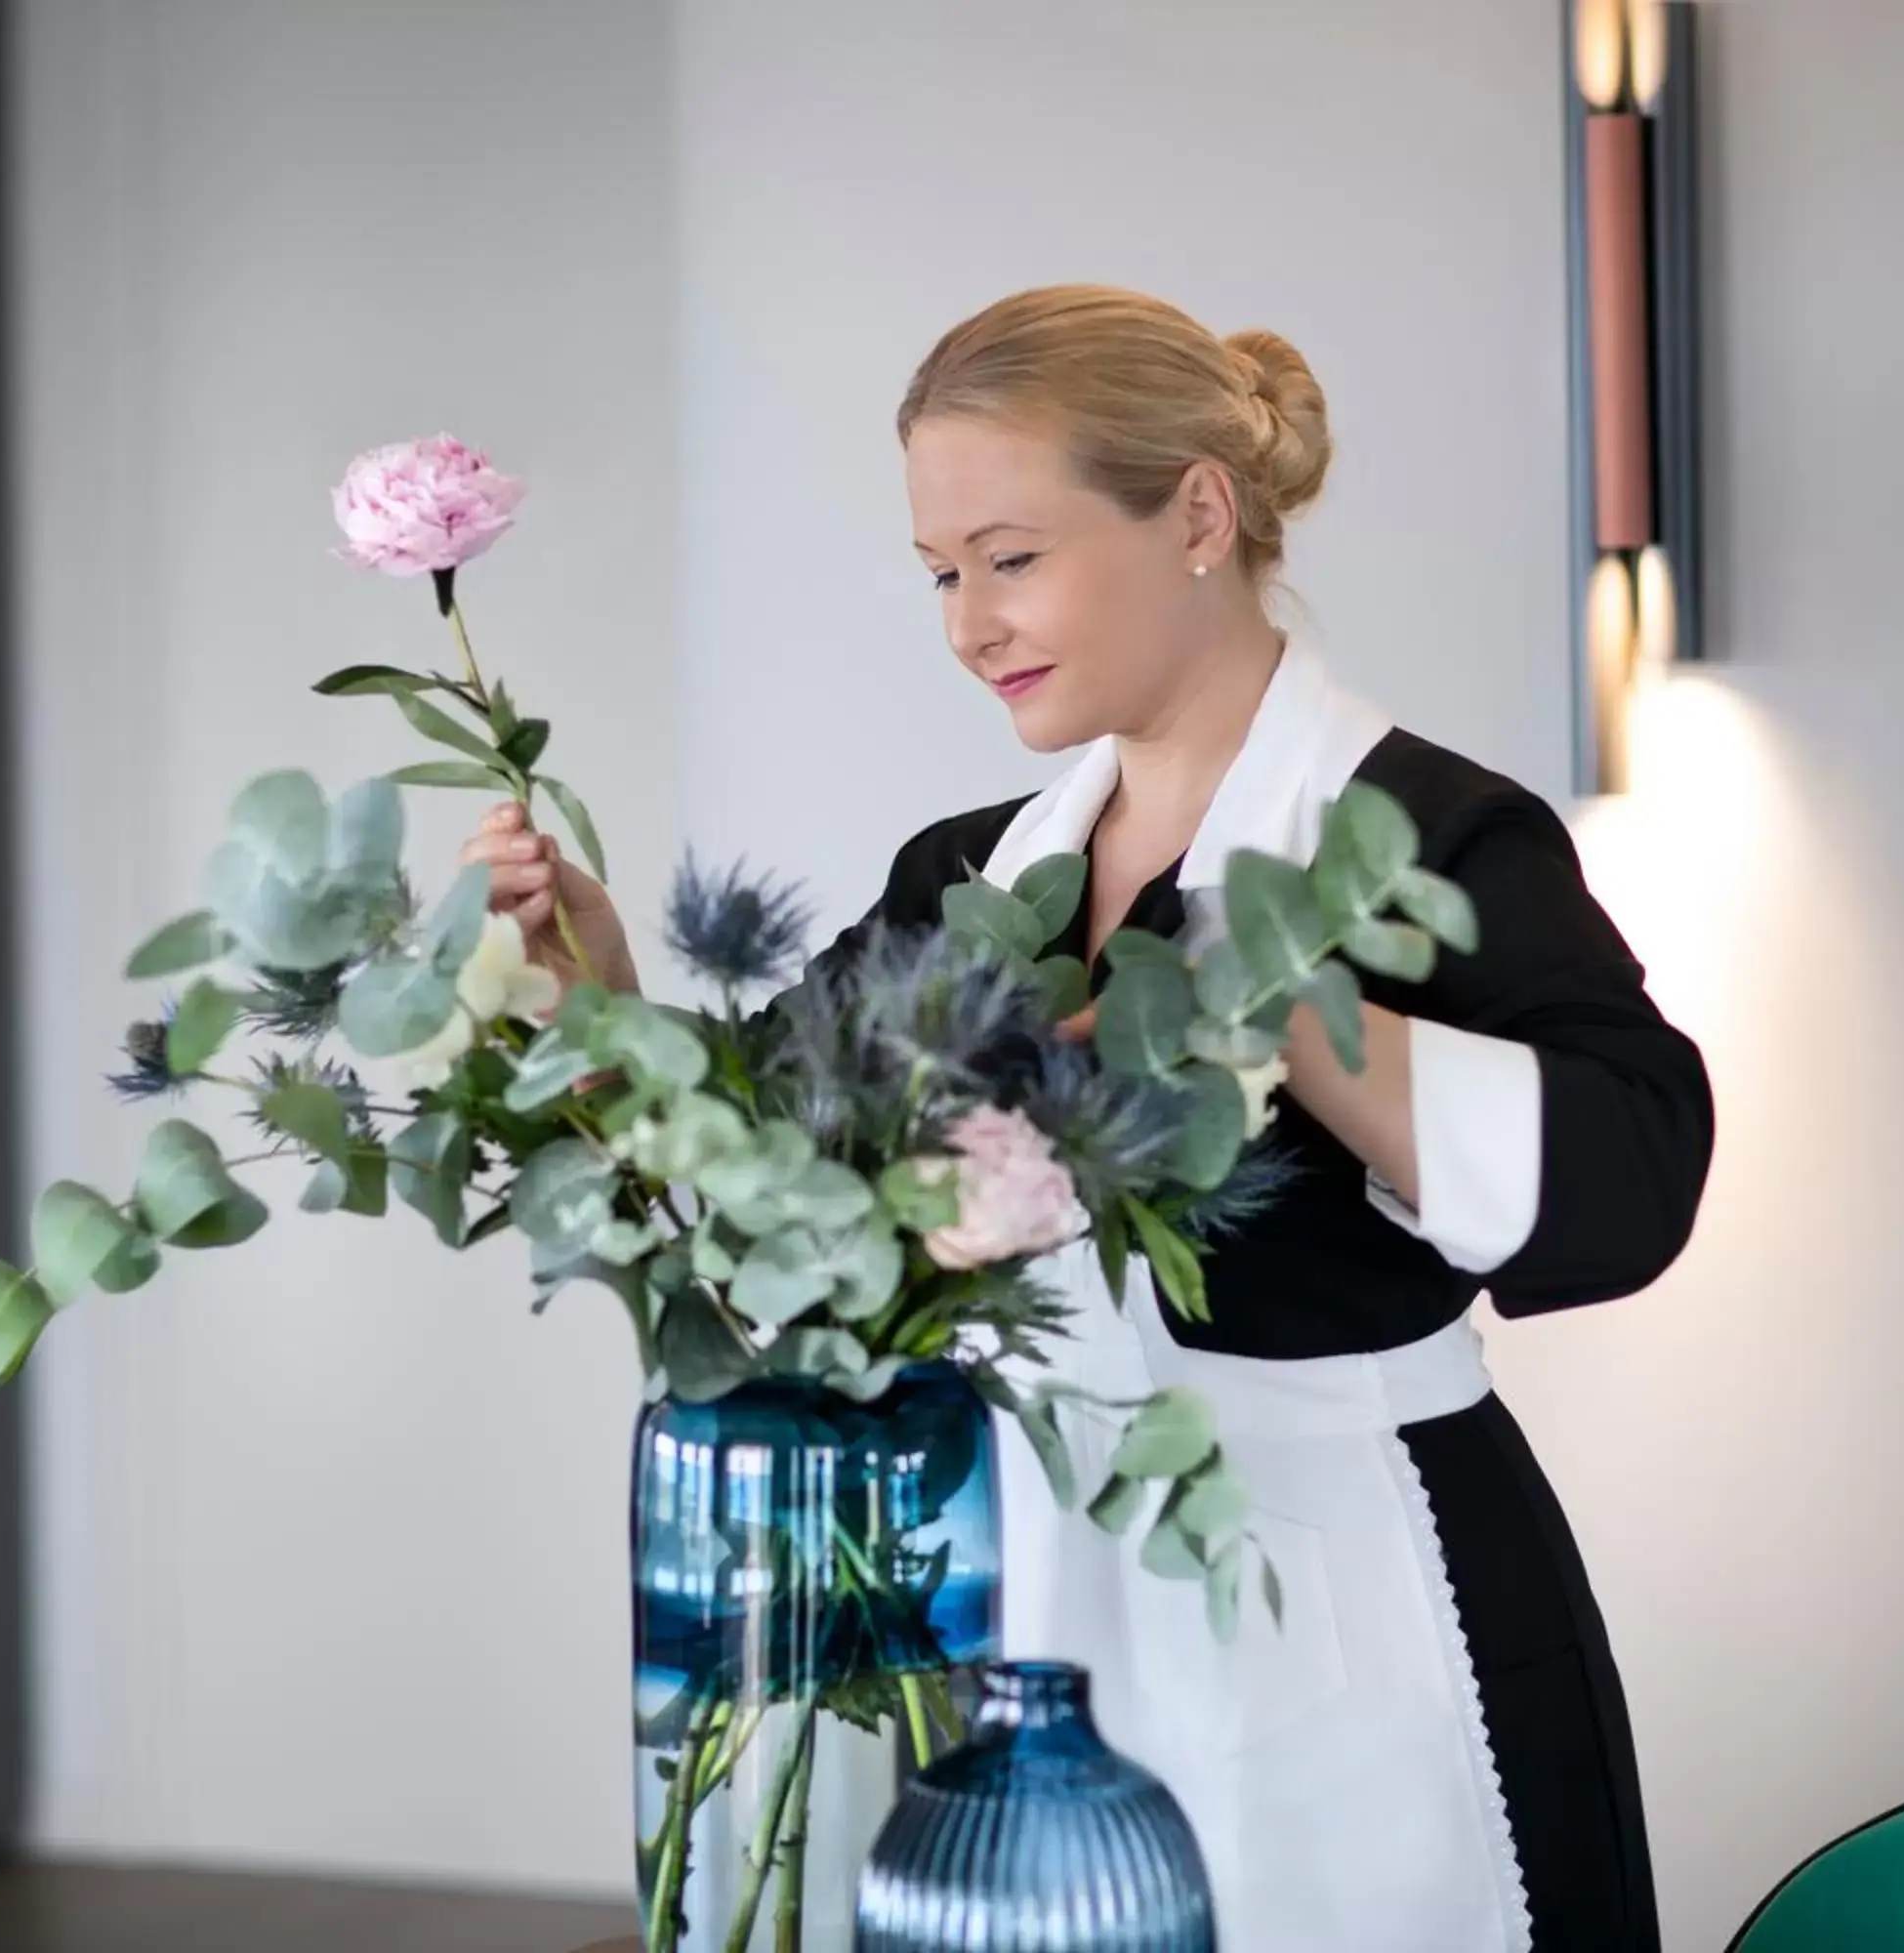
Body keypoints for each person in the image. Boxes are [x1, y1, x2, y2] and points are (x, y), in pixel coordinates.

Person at [465, 284, 1713, 1950]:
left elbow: (1635, 1175)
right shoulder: (975, 874)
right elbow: (766, 1175)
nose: (970, 623)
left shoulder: (1434, 834)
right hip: (1023, 1611)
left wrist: (1284, 1015)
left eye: (1012, 555)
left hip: (1364, 1603)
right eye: (939, 574)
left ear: (1198, 511)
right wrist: (598, 999)